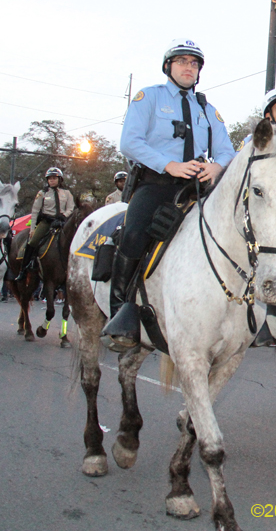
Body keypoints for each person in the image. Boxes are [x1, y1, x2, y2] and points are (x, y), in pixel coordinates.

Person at [102, 38, 235, 349]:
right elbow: (130, 142)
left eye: (194, 64)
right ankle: (121, 316)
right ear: (168, 66)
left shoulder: (208, 109)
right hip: (157, 185)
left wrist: (217, 168)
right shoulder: (148, 97)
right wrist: (170, 165)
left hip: (197, 188)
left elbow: (227, 151)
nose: (189, 68)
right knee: (133, 232)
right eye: (182, 62)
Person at [16, 168, 75, 279]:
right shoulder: (42, 193)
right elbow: (35, 211)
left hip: (61, 221)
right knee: (33, 241)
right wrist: (33, 228)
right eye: (49, 179)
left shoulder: (67, 193)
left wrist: (64, 215)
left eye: (54, 178)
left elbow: (70, 208)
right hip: (47, 221)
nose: (51, 181)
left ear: (60, 179)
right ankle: (25, 268)